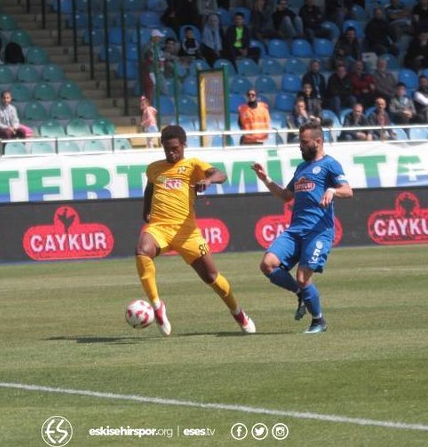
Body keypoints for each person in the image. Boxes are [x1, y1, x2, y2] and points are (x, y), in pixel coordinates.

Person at [136, 124, 255, 336]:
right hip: (159, 227)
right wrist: (146, 211)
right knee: (142, 250)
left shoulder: (192, 165)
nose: (171, 153)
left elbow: (220, 174)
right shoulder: (154, 168)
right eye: (167, 149)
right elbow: (150, 188)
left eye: (175, 148)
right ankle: (157, 305)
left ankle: (237, 312)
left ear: (183, 145)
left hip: (187, 232)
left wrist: (207, 180)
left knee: (211, 277)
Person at [252, 119, 353, 334]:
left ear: (318, 141)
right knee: (267, 264)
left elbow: (348, 190)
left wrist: (333, 191)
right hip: (296, 230)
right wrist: (266, 179)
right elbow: (285, 196)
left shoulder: (330, 164)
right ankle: (300, 292)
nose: (300, 146)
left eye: (304, 142)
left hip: (319, 231)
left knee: (302, 275)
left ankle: (319, 321)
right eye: (300, 141)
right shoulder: (301, 168)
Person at [141, 29, 166, 100]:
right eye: (158, 37)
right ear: (154, 37)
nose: (160, 39)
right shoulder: (147, 46)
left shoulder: (157, 46)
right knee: (152, 88)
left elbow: (161, 57)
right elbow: (144, 58)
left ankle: (159, 104)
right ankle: (150, 105)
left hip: (158, 70)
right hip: (151, 70)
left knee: (163, 88)